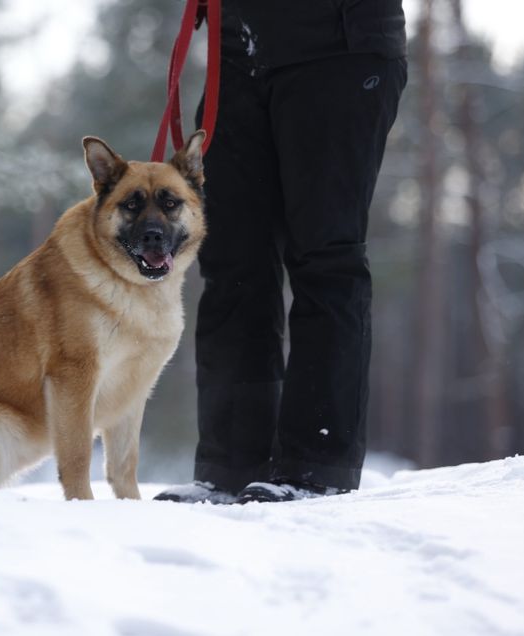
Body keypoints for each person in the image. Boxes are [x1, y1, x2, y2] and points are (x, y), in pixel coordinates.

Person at [156, 0, 408, 504]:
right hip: (237, 53)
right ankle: (231, 466)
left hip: (337, 44)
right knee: (232, 263)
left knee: (325, 257)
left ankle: (316, 466)